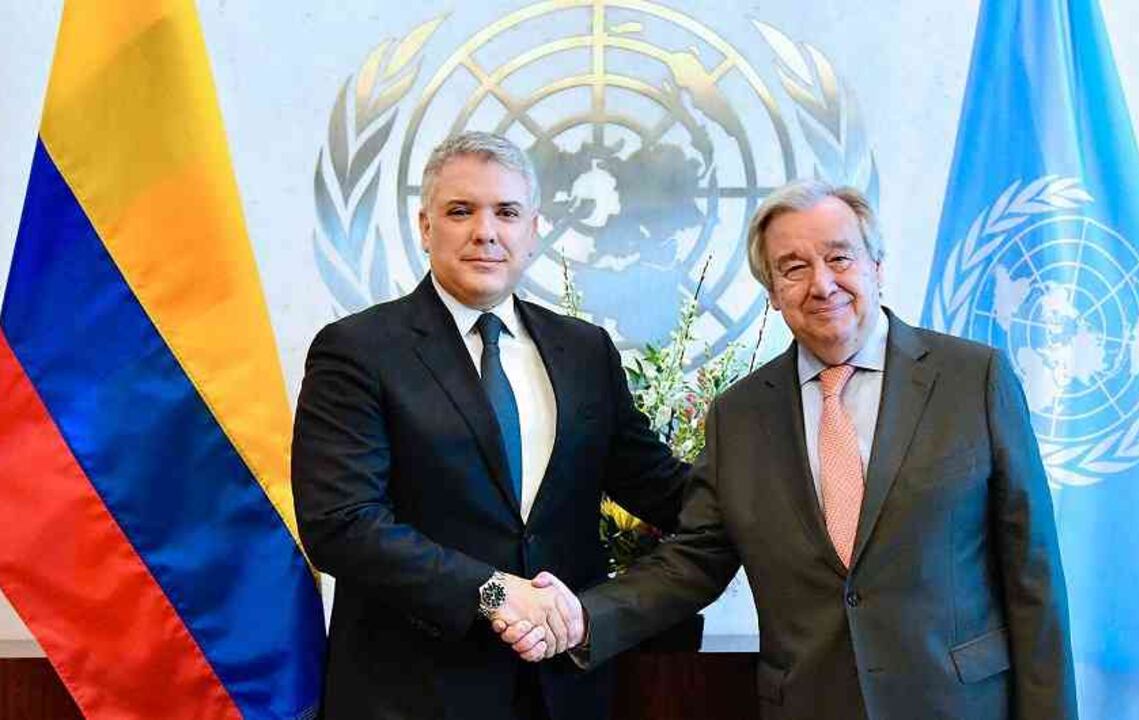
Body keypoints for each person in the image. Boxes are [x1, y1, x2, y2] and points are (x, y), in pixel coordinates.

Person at [507, 179, 1077, 719]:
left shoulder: (973, 379)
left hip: (958, 704)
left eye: (839, 257)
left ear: (877, 266)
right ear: (774, 295)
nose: (822, 283)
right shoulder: (740, 415)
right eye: (794, 268)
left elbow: (1031, 574)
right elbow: (696, 559)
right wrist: (584, 617)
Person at [291, 131, 687, 720]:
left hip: (562, 690)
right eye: (460, 211)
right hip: (412, 695)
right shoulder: (359, 351)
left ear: (533, 229)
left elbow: (658, 486)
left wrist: (783, 501)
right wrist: (494, 592)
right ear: (425, 228)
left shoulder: (584, 351)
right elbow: (341, 525)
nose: (485, 231)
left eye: (506, 212)